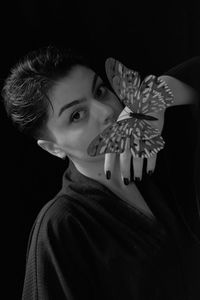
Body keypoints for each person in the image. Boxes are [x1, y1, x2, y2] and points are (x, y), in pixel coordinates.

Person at [1, 45, 200, 300]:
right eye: (77, 115)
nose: (106, 111)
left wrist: (156, 96)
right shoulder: (61, 226)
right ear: (53, 148)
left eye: (100, 91)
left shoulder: (165, 148)